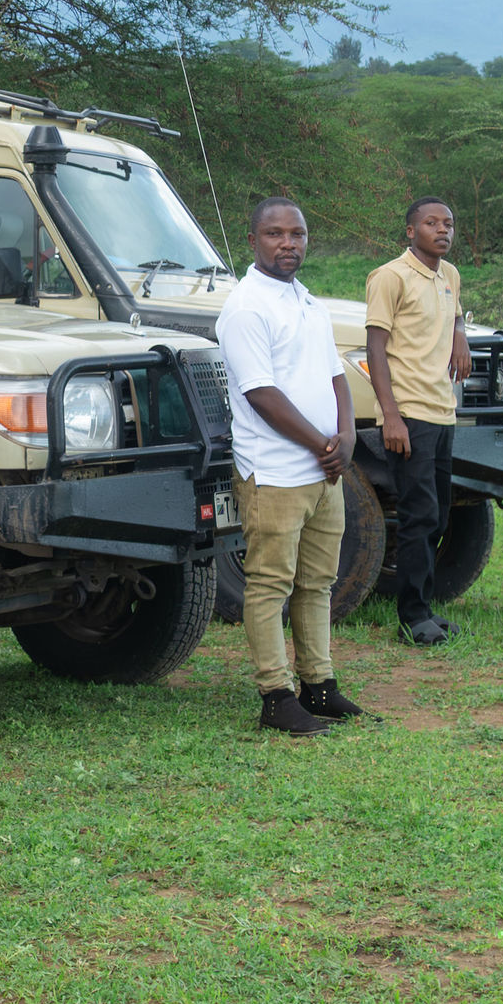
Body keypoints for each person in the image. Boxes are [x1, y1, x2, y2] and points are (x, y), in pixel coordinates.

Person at [214, 197, 364, 736]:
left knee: (317, 582)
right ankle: (275, 696)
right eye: (275, 234)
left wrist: (347, 435)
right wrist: (323, 444)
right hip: (275, 472)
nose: (288, 243)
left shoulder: (308, 302)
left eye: (296, 234)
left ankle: (318, 685)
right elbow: (261, 394)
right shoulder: (246, 308)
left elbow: (336, 376)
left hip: (323, 471)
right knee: (270, 584)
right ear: (253, 240)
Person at [364, 197, 474, 646]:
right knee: (418, 516)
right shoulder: (389, 277)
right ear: (411, 231)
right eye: (431, 223)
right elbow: (375, 348)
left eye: (448, 223)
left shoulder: (450, 275)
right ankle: (411, 617)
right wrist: (390, 416)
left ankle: (425, 609)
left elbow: (454, 314)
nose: (442, 230)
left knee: (438, 516)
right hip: (408, 414)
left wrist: (460, 334)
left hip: (442, 412)